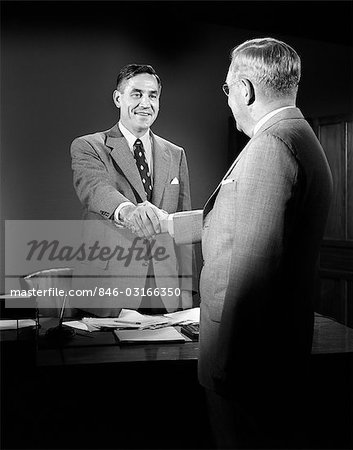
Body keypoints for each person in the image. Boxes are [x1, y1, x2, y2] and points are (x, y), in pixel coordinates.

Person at [134, 38, 333, 448]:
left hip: (245, 364)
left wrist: (223, 366)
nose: (228, 99)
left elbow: (252, 269)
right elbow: (245, 220)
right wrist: (170, 224)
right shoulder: (298, 135)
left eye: (228, 89)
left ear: (245, 90)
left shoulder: (269, 147)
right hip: (274, 351)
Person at [70, 64, 195, 316]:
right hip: (109, 288)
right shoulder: (89, 146)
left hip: (164, 289)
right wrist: (128, 210)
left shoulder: (175, 154)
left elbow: (184, 225)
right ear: (118, 98)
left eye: (152, 95)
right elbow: (95, 189)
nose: (145, 103)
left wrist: (187, 291)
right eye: (136, 94)